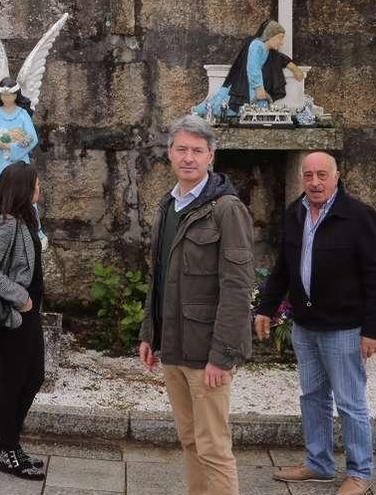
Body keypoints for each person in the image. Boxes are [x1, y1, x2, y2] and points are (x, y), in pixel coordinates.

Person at [255, 152, 376, 495]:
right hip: (306, 325)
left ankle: (360, 473)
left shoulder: (360, 217)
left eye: (322, 175)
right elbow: (283, 268)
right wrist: (265, 308)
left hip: (345, 328)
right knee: (312, 397)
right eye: (309, 175)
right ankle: (319, 463)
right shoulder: (294, 213)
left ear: (337, 176)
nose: (315, 182)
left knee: (350, 402)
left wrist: (373, 329)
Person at [138, 115, 254, 495]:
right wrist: (149, 332)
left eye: (197, 151)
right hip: (173, 348)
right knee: (189, 440)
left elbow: (237, 287)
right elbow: (159, 278)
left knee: (214, 448)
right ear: (170, 154)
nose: (189, 157)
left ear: (211, 156)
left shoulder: (226, 209)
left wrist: (222, 355)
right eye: (182, 149)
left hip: (208, 354)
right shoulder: (167, 206)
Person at [0, 162, 46, 481]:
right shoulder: (5, 224)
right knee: (14, 381)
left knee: (33, 377)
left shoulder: (24, 218)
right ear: (22, 188)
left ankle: (11, 445)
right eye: (36, 183)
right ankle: (7, 450)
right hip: (14, 317)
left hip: (30, 315)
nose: (40, 187)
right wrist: (21, 297)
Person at [0, 77, 48, 250]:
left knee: (27, 194)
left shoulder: (22, 114)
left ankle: (35, 231)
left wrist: (13, 148)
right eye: (3, 96)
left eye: (9, 95)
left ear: (16, 94)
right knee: (1, 194)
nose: (6, 99)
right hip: (2, 164)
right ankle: (1, 231)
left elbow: (32, 138)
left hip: (19, 161)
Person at [193, 20, 305, 119]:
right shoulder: (256, 46)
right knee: (226, 107)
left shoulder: (268, 50)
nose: (281, 42)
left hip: (254, 88)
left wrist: (294, 68)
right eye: (279, 38)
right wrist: (259, 88)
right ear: (270, 36)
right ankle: (199, 113)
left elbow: (279, 58)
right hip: (249, 86)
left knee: (258, 111)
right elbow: (253, 68)